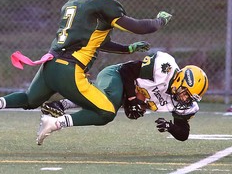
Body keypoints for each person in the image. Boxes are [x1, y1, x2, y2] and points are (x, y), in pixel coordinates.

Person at [0, 0, 172, 144]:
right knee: (107, 112)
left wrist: (127, 50)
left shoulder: (72, 4)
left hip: (50, 65)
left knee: (30, 99)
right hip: (69, 69)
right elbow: (138, 27)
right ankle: (55, 123)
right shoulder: (105, 5)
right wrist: (159, 21)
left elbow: (97, 41)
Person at [41, 51, 209, 142]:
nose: (185, 100)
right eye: (186, 94)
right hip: (115, 75)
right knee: (108, 106)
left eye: (190, 98)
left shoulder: (181, 103)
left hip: (126, 94)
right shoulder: (165, 67)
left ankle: (61, 109)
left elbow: (183, 134)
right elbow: (126, 71)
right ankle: (60, 114)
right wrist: (132, 99)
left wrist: (170, 127)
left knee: (106, 109)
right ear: (180, 80)